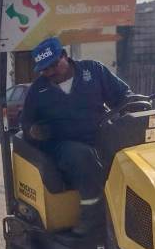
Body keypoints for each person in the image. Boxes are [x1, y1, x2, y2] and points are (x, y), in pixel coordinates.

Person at [21, 36, 131, 236]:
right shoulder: (38, 90)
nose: (50, 73)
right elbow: (26, 123)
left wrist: (130, 110)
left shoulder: (94, 71)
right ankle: (93, 216)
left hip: (99, 135)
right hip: (62, 145)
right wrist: (33, 131)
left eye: (54, 65)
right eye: (45, 69)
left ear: (65, 56)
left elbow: (123, 96)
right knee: (82, 156)